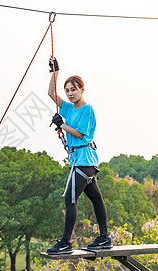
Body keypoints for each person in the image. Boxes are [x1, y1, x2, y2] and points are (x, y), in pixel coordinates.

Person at [46, 57, 112, 255]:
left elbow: (80, 134)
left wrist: (61, 124)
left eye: (73, 89)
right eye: (67, 90)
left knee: (70, 198)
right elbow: (51, 93)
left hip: (84, 161)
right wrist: (55, 72)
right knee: (96, 199)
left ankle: (65, 242)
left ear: (82, 89)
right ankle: (104, 238)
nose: (70, 93)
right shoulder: (68, 108)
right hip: (80, 161)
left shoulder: (87, 109)